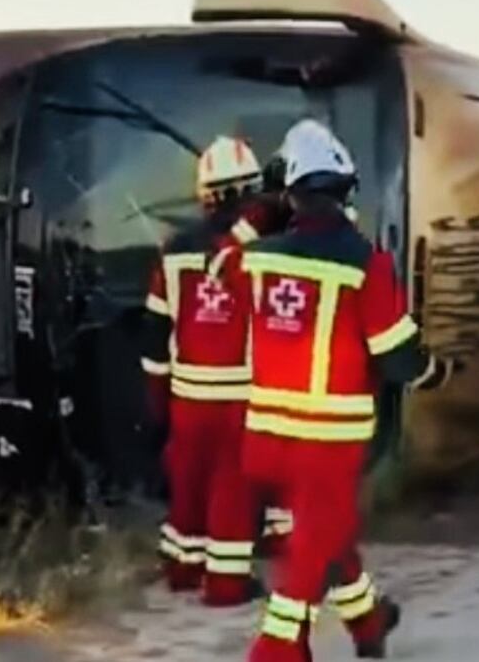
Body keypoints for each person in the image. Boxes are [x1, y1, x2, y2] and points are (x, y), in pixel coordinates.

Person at [237, 120, 456, 661]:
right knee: (309, 553)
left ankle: (368, 621)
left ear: (289, 192)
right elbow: (398, 355)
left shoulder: (257, 258)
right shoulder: (366, 262)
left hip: (264, 436)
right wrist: (438, 371)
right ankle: (277, 648)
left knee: (324, 535)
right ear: (345, 190)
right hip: (327, 442)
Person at [142, 135, 290, 606]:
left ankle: (183, 569)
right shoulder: (267, 247)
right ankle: (227, 584)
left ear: (205, 194)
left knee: (187, 480)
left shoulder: (174, 248)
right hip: (243, 395)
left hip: (188, 394)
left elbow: (154, 330)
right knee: (232, 487)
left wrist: (157, 396)